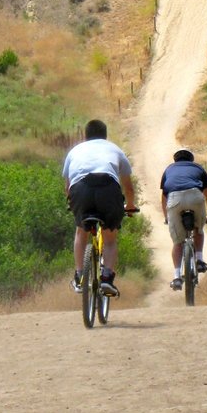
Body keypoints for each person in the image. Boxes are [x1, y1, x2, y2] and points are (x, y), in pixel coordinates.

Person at [62, 119, 137, 297]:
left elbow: (68, 186)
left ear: (85, 136)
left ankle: (80, 275)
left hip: (80, 189)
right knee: (109, 238)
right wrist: (130, 206)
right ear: (105, 135)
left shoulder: (75, 150)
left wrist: (72, 203)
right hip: (108, 188)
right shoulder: (115, 149)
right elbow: (128, 186)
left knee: (81, 231)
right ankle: (106, 278)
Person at [160, 148, 207, 291]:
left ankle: (177, 276)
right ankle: (200, 260)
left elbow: (164, 197)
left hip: (174, 200)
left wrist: (167, 217)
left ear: (175, 160)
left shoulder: (168, 170)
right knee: (199, 229)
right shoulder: (198, 168)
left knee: (177, 242)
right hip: (194, 196)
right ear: (191, 159)